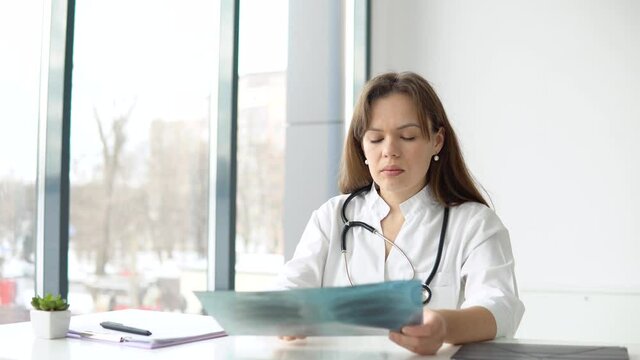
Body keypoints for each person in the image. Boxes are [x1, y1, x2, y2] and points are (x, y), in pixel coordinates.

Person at [276, 71, 524, 355]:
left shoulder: (474, 224)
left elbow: (501, 307)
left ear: (437, 141)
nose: (390, 151)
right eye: (376, 138)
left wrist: (443, 325)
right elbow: (289, 289)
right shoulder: (331, 217)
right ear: (362, 146)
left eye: (408, 136)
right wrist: (286, 314)